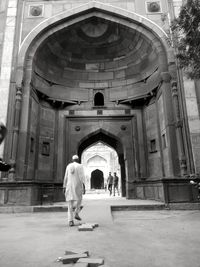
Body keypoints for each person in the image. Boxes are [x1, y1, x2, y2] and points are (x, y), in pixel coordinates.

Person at [63, 155, 85, 227]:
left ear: (72, 160)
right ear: (78, 160)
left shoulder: (68, 166)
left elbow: (65, 177)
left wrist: (64, 186)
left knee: (69, 205)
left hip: (69, 187)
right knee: (79, 200)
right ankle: (76, 213)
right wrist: (84, 186)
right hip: (77, 186)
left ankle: (70, 221)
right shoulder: (80, 166)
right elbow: (82, 177)